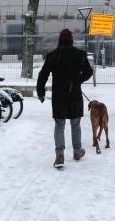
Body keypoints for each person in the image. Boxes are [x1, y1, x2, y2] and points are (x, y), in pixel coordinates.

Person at [37, 28, 94, 168]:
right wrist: (78, 80)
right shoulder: (80, 54)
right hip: (74, 94)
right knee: (75, 124)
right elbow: (89, 72)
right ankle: (77, 151)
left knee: (59, 125)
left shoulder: (52, 55)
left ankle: (60, 154)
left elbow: (43, 75)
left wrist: (41, 92)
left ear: (60, 40)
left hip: (59, 95)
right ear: (71, 40)